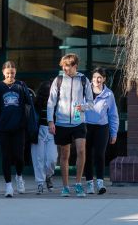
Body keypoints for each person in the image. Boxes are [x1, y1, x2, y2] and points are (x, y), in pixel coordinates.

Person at [0, 61, 35, 197]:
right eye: (7, 73)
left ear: (15, 72)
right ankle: (8, 186)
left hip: (19, 128)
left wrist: (31, 126)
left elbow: (29, 106)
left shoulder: (21, 86)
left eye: (12, 73)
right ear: (3, 73)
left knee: (19, 156)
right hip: (4, 128)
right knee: (6, 157)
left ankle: (19, 176)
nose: (10, 75)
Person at [47, 53, 94, 197]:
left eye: (67, 66)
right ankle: (65, 187)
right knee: (64, 155)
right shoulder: (58, 80)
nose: (64, 69)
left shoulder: (84, 80)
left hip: (79, 122)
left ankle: (79, 184)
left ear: (75, 66)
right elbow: (51, 102)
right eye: (63, 66)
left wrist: (83, 107)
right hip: (61, 122)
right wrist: (50, 121)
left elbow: (91, 103)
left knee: (81, 151)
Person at [84, 67, 119, 195]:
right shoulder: (85, 91)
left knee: (99, 154)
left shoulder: (109, 94)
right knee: (86, 155)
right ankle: (89, 183)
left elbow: (113, 115)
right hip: (86, 127)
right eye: (94, 77)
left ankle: (100, 183)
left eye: (99, 77)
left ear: (104, 79)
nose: (96, 80)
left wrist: (114, 132)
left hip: (102, 128)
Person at [30, 80, 58, 194]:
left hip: (52, 131)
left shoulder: (57, 103)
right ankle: (40, 183)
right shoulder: (36, 103)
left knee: (52, 159)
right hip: (39, 131)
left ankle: (49, 176)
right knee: (38, 159)